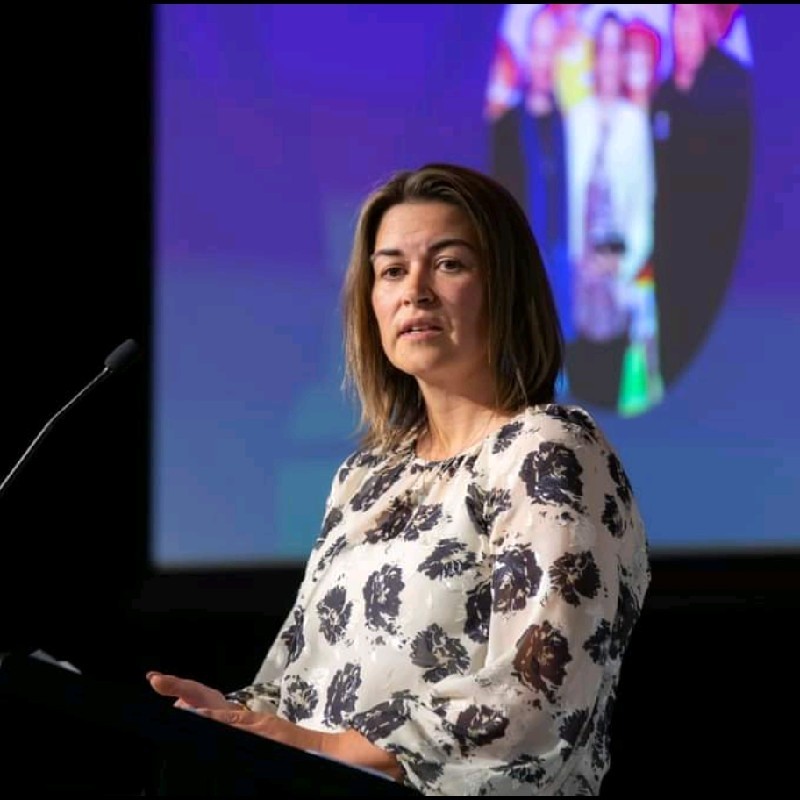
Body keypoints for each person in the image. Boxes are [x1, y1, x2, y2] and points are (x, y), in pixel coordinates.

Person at [147, 163, 651, 796]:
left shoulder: (545, 450)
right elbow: (299, 685)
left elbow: (540, 691)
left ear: (506, 287)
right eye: (391, 271)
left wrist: (326, 748)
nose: (415, 291)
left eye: (449, 264)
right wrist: (230, 717)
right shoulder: (363, 479)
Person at [650, 3, 753, 386]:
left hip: (717, 254)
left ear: (709, 23)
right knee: (672, 351)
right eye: (678, 16)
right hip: (670, 254)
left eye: (692, 17)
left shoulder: (733, 85)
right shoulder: (664, 93)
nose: (684, 27)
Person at [563, 10, 655, 411]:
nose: (611, 59)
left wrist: (625, 265)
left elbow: (643, 202)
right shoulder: (576, 118)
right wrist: (576, 262)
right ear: (595, 55)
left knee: (608, 395)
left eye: (619, 50)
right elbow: (565, 201)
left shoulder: (635, 122)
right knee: (574, 400)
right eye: (605, 49)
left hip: (618, 278)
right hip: (577, 279)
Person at [490, 4, 572, 345]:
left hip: (560, 274)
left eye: (549, 48)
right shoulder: (505, 126)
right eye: (537, 47)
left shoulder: (568, 124)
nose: (543, 59)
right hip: (517, 269)